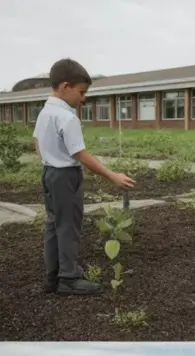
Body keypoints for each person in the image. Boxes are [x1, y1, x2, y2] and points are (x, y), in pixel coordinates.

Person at [33, 58, 135, 296]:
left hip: (49, 173)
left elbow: (37, 142)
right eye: (81, 92)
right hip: (65, 176)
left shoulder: (45, 112)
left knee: (53, 225)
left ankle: (52, 278)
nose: (83, 98)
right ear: (65, 86)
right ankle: (68, 279)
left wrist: (48, 163)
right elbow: (80, 153)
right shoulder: (67, 117)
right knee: (69, 227)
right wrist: (112, 176)